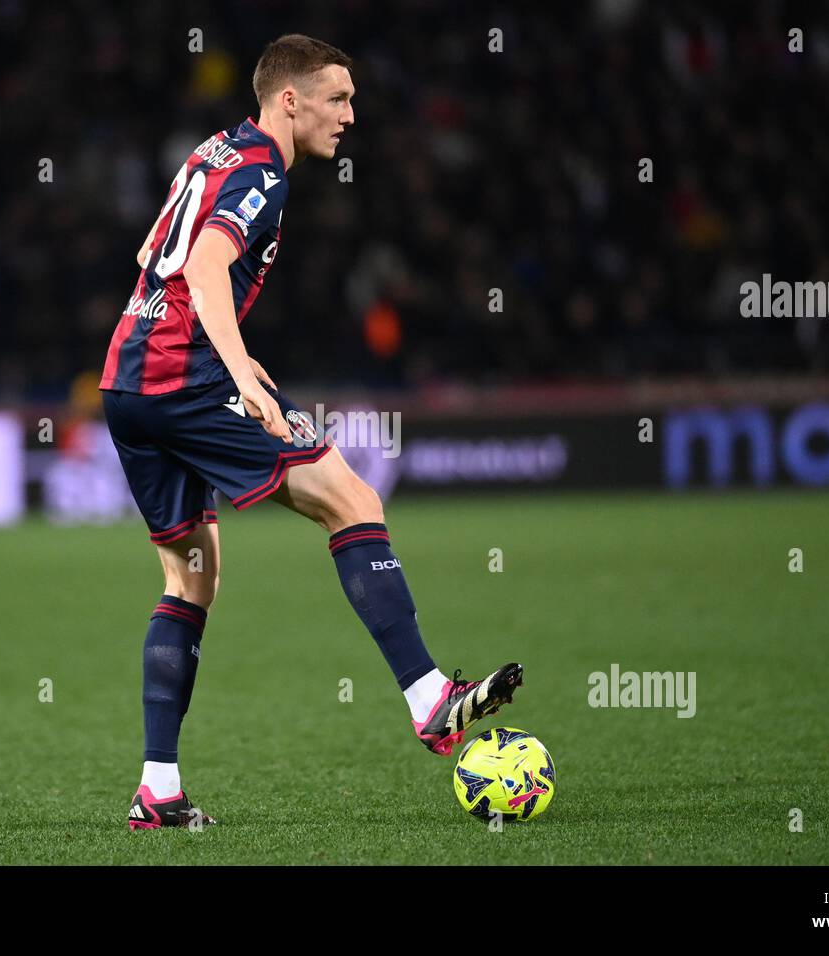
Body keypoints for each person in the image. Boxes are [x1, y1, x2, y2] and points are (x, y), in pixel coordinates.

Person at [99, 33, 523, 830]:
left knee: (189, 581)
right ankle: (431, 700)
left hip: (126, 378)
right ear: (289, 98)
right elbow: (202, 267)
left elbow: (155, 249)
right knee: (352, 499)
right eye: (338, 99)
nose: (350, 116)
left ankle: (158, 789)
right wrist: (240, 368)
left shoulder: (212, 149)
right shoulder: (260, 166)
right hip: (186, 374)